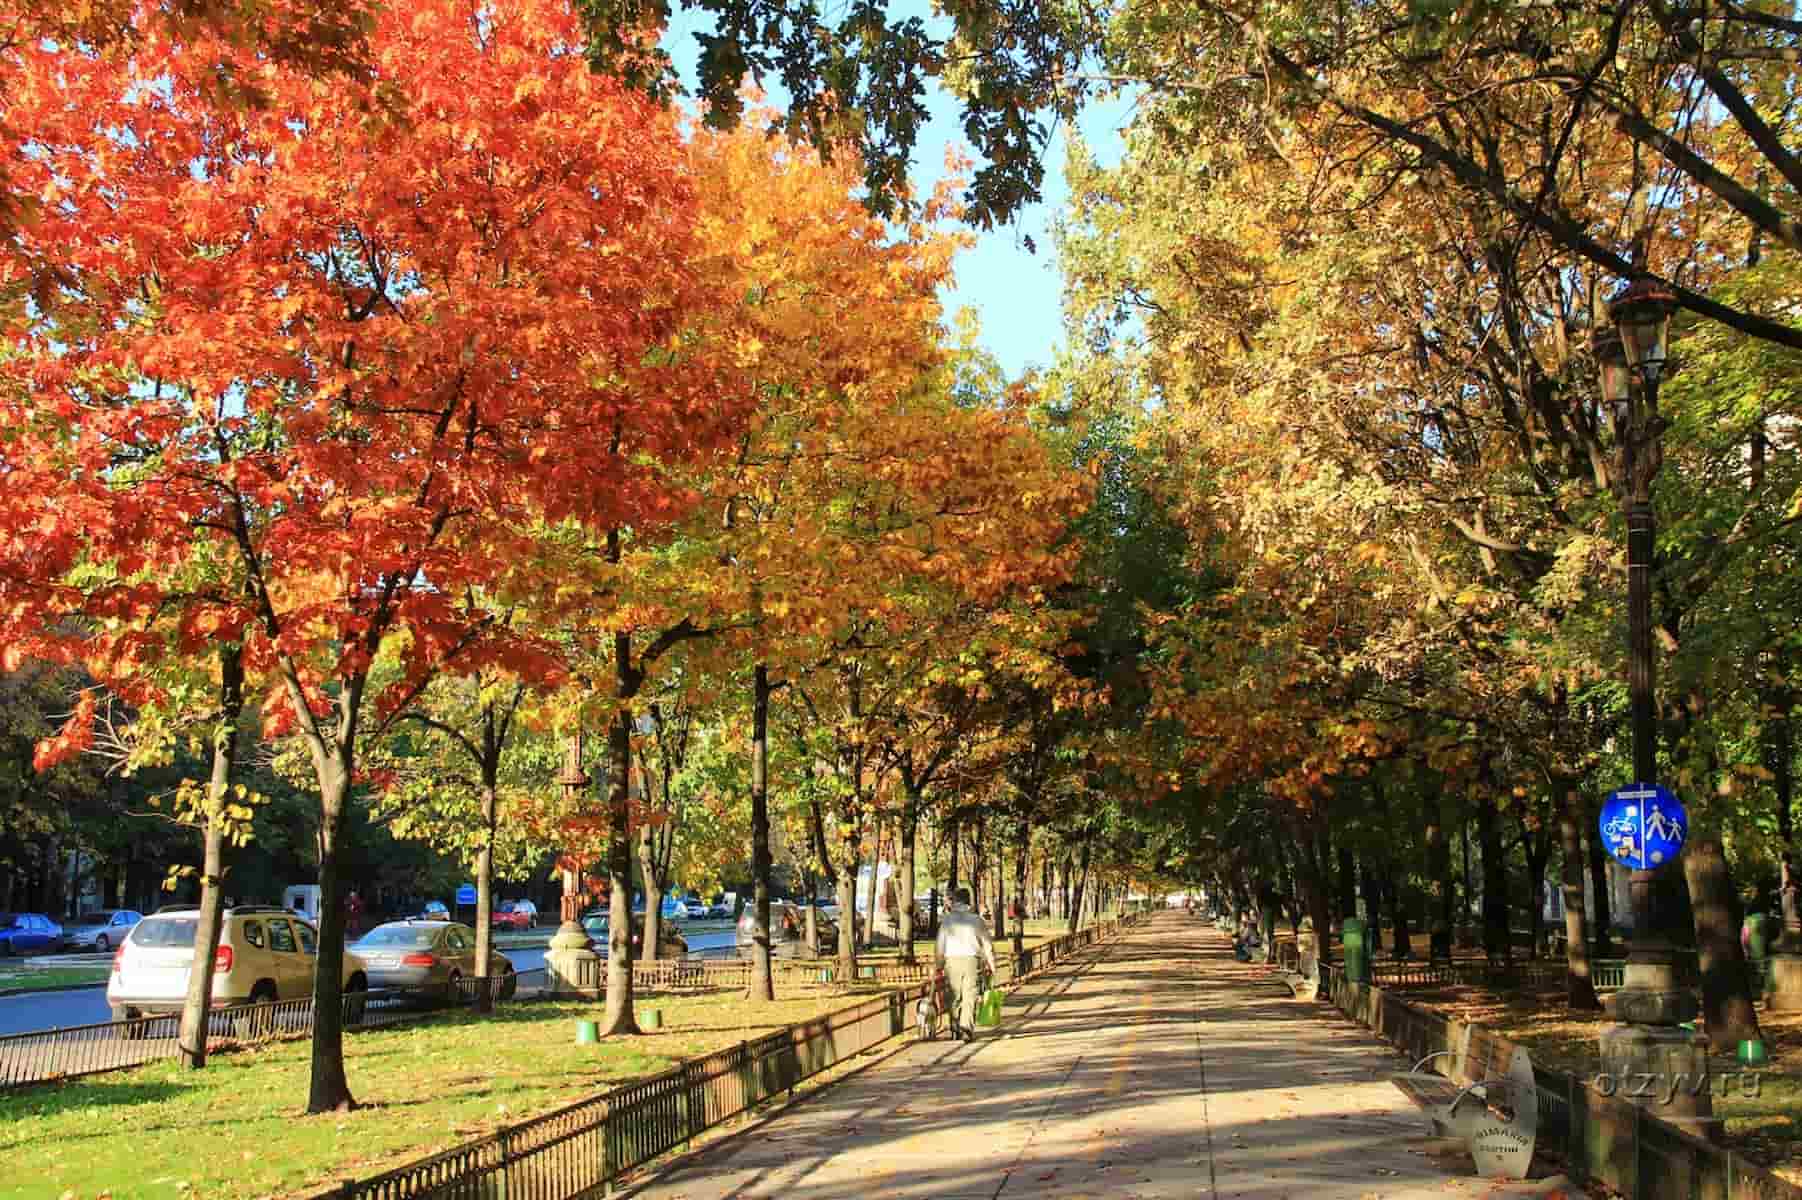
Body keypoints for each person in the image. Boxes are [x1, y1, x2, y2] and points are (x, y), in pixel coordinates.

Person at [934, 886, 997, 1042]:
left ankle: (955, 1027)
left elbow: (940, 946)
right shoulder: (977, 920)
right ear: (969, 902)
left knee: (954, 995)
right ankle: (966, 1027)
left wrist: (939, 965)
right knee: (970, 994)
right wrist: (992, 965)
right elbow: (987, 944)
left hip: (951, 961)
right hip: (971, 961)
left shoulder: (946, 921)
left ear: (955, 901)